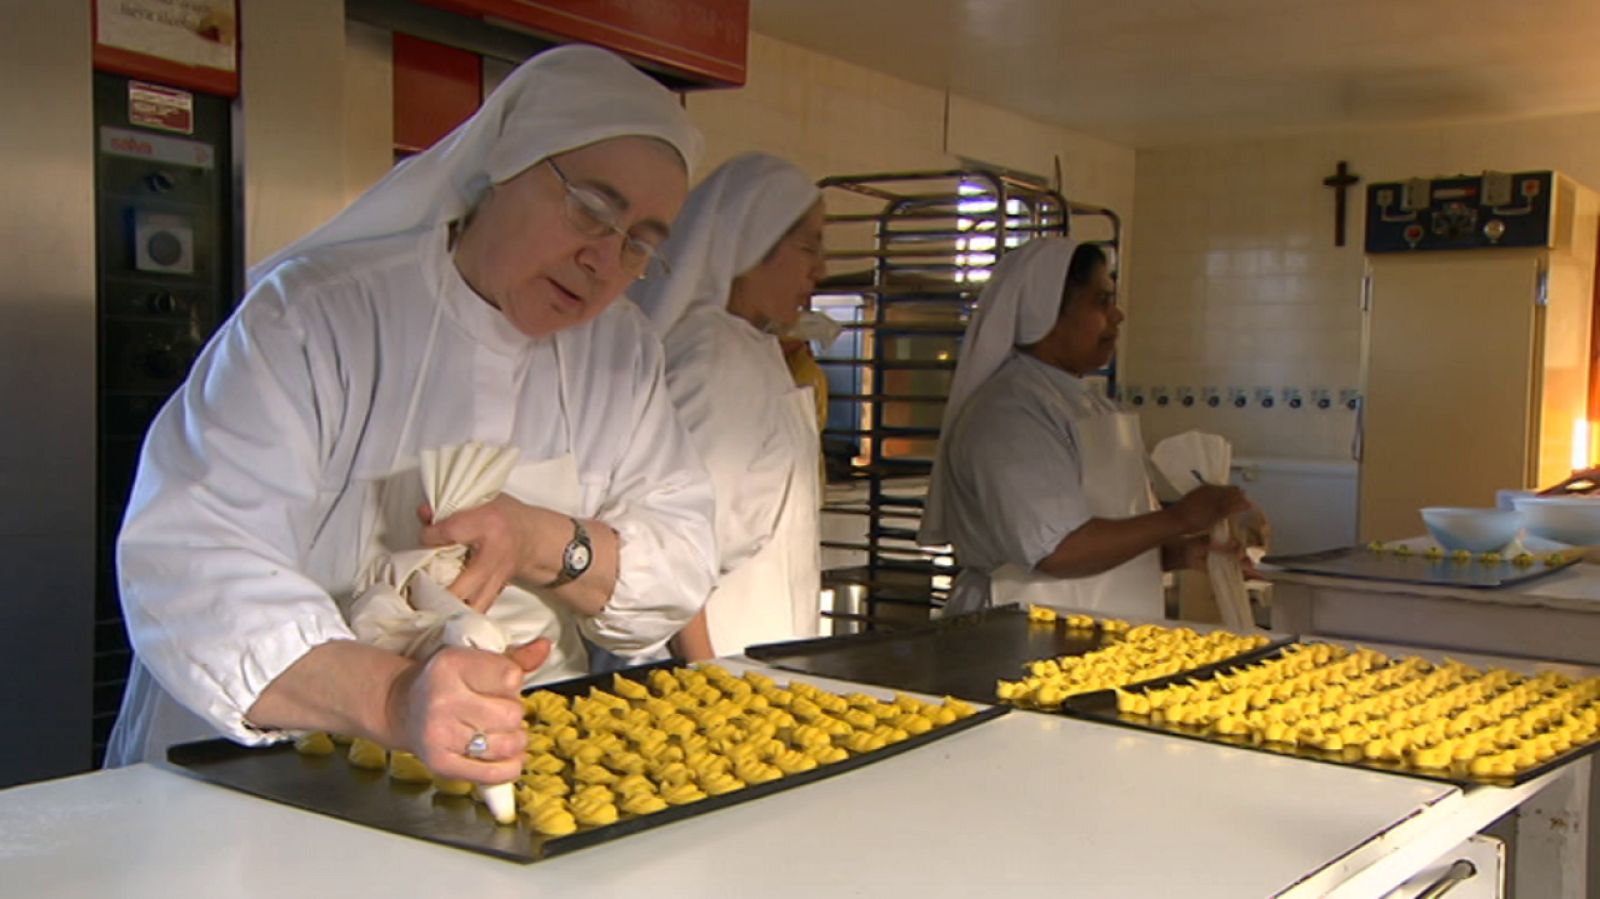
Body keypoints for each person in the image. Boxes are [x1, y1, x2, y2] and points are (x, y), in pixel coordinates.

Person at [106, 45, 718, 789]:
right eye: (592, 210)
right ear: (507, 161)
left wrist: (540, 540)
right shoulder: (318, 317)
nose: (605, 261)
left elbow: (683, 560)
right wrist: (394, 696)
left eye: (641, 245)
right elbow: (192, 562)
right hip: (264, 774)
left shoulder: (621, 355)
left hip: (505, 773)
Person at [919, 237, 1249, 618]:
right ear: (1046, 314)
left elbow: (1112, 537)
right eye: (1101, 301)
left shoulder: (1082, 401)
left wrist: (1187, 551)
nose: (1118, 315)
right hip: (1018, 629)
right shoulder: (1009, 413)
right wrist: (1181, 518)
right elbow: (1059, 551)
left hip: (1094, 623)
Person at [631, 152, 827, 659]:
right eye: (808, 247)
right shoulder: (715, 359)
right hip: (724, 667)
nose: (820, 270)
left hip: (762, 653)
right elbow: (675, 544)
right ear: (751, 243)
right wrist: (708, 682)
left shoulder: (746, 348)